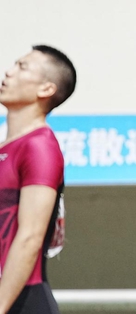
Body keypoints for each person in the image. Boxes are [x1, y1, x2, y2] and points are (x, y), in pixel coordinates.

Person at [0, 45, 75, 314]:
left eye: (22, 67)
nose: (8, 72)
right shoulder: (7, 149)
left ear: (46, 89)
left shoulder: (39, 146)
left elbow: (30, 237)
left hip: (23, 304)